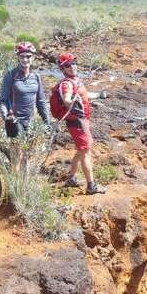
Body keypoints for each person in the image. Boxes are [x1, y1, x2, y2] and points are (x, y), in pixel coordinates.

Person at [56, 52, 106, 195]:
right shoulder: (66, 84)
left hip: (82, 120)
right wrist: (70, 102)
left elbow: (85, 95)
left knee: (81, 149)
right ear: (63, 69)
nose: (72, 67)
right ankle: (91, 186)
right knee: (85, 152)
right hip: (76, 122)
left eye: (73, 63)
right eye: (67, 65)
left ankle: (71, 178)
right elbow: (66, 97)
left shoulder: (76, 80)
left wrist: (99, 95)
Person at [0, 41, 51, 137]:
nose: (25, 59)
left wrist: (47, 121)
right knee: (18, 151)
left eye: (28, 56)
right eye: (22, 56)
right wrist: (6, 117)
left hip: (31, 122)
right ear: (18, 57)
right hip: (15, 121)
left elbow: (41, 101)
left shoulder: (36, 76)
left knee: (33, 150)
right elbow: (3, 100)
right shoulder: (11, 75)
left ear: (33, 57)